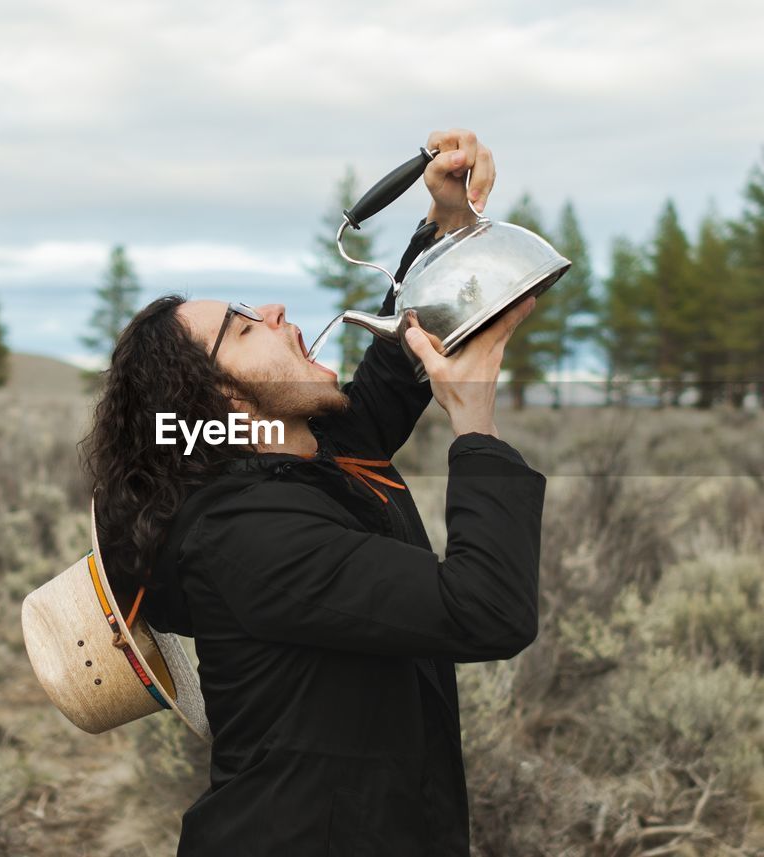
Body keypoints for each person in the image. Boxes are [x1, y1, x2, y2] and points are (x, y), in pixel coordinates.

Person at [80, 128, 546, 856]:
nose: (272, 310)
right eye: (242, 329)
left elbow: (393, 369)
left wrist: (447, 227)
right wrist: (475, 424)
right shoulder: (246, 538)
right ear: (228, 406)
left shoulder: (304, 447)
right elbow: (487, 609)